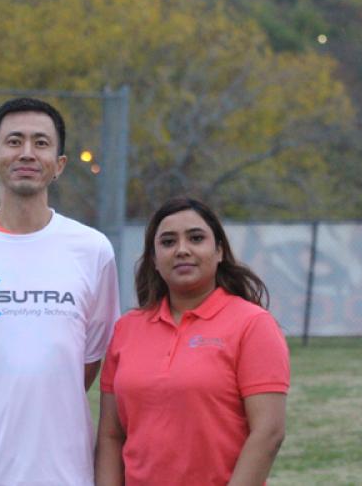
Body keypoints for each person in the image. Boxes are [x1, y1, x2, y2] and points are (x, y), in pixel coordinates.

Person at [0, 97, 120, 485]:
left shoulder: (92, 250)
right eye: (14, 141)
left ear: (59, 164)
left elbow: (89, 361)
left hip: (63, 473)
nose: (27, 153)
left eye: (41, 143)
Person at [95, 197, 290, 486]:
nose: (182, 250)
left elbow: (269, 433)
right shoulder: (126, 329)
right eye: (168, 242)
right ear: (154, 259)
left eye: (196, 238)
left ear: (219, 251)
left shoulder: (253, 324)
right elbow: (111, 435)